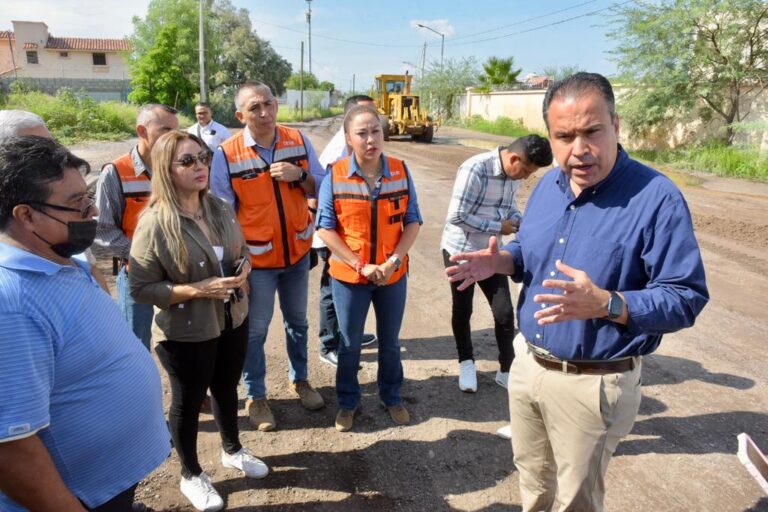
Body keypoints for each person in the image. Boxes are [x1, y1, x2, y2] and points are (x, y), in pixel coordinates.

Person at [446, 72, 709, 511]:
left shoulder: (657, 198)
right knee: (532, 481)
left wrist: (608, 303)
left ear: (616, 125)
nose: (579, 150)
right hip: (529, 367)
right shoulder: (549, 184)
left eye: (592, 132)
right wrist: (502, 261)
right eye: (564, 136)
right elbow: (530, 251)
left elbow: (685, 297)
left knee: (575, 502)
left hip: (594, 383)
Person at [0, 136, 170, 511]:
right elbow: (11, 448)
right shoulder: (10, 302)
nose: (93, 211)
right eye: (76, 203)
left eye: (87, 196)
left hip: (106, 487)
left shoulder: (63, 258)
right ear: (25, 215)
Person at [129, 131, 267, 511]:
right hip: (186, 332)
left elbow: (242, 253)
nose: (200, 166)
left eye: (202, 157)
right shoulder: (155, 223)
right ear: (166, 170)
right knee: (188, 403)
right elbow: (141, 289)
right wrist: (195, 290)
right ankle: (191, 474)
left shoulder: (220, 208)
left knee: (226, 388)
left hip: (231, 318)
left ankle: (232, 450)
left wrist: (243, 271)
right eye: (187, 161)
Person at [210, 81, 327, 432]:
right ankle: (256, 396)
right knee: (256, 331)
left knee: (298, 323)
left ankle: (301, 380)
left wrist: (301, 176)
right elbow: (222, 217)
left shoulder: (298, 141)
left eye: (269, 104)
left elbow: (324, 185)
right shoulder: (226, 154)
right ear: (240, 115)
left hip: (296, 256)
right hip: (257, 264)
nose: (264, 113)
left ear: (276, 105)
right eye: (254, 108)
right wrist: (234, 268)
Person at [317, 105, 422, 432]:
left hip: (392, 274)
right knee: (348, 343)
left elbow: (413, 220)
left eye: (375, 131)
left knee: (390, 341)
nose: (370, 139)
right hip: (350, 277)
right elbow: (325, 228)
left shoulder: (400, 171)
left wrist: (392, 261)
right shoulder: (334, 175)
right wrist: (359, 264)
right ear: (348, 139)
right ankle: (348, 402)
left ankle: (392, 396)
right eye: (361, 133)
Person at [442, 134, 552, 394]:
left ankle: (505, 369)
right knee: (463, 309)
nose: (525, 177)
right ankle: (466, 363)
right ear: (514, 158)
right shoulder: (475, 168)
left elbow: (508, 207)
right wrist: (498, 226)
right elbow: (456, 215)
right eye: (525, 170)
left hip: (491, 254)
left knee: (504, 312)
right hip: (461, 251)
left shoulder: (512, 175)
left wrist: (519, 220)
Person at [94, 104, 179, 350]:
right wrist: (144, 256)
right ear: (142, 131)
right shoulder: (116, 172)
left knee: (178, 338)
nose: (174, 137)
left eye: (176, 130)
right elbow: (102, 228)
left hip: (178, 271)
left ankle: (184, 387)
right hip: (137, 273)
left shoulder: (179, 166)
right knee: (135, 340)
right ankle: (138, 387)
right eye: (165, 130)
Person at [0, 109, 111, 293]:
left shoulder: (65, 219)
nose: (53, 155)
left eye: (52, 146)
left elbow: (89, 267)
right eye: (36, 152)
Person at [315, 94, 379, 366]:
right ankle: (329, 343)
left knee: (346, 291)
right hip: (334, 239)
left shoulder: (353, 147)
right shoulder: (338, 154)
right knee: (332, 290)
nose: (371, 130)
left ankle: (346, 332)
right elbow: (328, 204)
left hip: (349, 237)